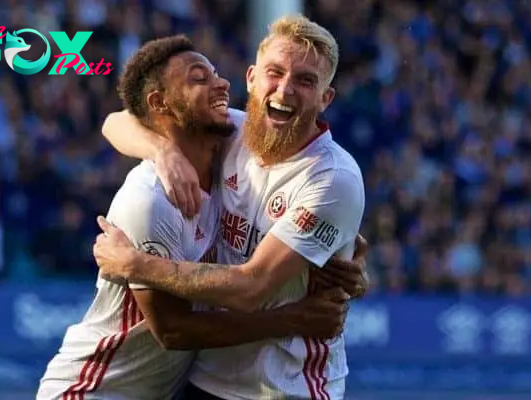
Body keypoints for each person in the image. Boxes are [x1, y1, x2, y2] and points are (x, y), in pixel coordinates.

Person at [37, 35, 359, 400]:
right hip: (97, 389)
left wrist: (343, 253)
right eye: (199, 78)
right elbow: (174, 331)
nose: (222, 84)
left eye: (305, 80)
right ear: (254, 78)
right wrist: (161, 150)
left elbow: (281, 258)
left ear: (325, 99)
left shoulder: (234, 146)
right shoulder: (150, 200)